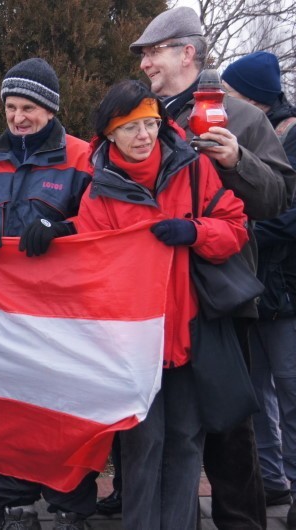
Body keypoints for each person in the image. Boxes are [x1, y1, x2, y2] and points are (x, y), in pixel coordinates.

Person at [130, 8, 296, 528]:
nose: (145, 62)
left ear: (188, 52)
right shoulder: (139, 116)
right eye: (142, 53)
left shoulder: (241, 117)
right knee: (162, 425)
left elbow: (279, 198)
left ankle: (241, 522)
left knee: (228, 427)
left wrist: (236, 161)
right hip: (154, 296)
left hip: (218, 296)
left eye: (153, 51)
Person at [64, 78, 249, 529]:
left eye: (149, 123)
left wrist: (197, 232)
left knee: (186, 441)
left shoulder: (193, 168)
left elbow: (236, 226)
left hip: (191, 332)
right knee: (142, 445)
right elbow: (91, 265)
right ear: (109, 135)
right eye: (130, 128)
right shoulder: (99, 189)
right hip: (133, 343)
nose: (143, 136)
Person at [0, 58, 93, 530]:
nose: (19, 116)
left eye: (29, 107)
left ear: (50, 109)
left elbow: (100, 221)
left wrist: (63, 227)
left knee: (64, 410)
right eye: (11, 106)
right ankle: (17, 507)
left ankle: (71, 509)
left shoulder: (81, 156)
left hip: (60, 313)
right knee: (7, 408)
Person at [222, 51, 296, 528]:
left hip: (286, 289)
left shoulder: (281, 139)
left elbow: (286, 212)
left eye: (231, 95)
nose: (222, 104)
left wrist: (240, 231)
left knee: (290, 390)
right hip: (255, 289)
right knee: (256, 392)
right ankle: (272, 480)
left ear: (255, 100)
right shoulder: (247, 133)